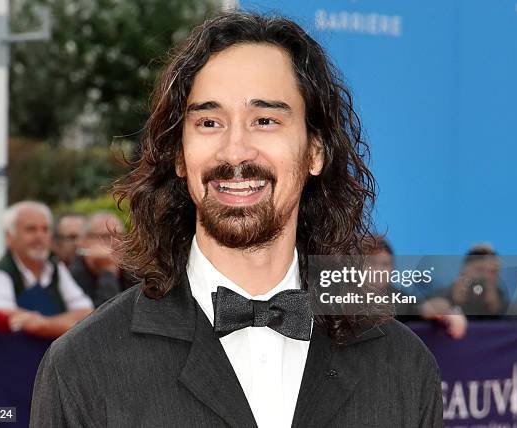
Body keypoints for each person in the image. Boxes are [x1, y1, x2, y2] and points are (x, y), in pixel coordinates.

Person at [31, 12, 443, 427]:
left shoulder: (402, 369)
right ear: (179, 154)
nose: (235, 152)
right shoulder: (84, 368)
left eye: (265, 121)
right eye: (209, 123)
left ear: (315, 150)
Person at [0, 201, 93, 338]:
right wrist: (68, 324)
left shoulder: (55, 266)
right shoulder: (0, 274)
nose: (40, 236)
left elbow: (86, 312)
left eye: (45, 229)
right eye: (31, 229)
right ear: (9, 237)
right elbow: (2, 314)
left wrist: (44, 324)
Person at [365, 236, 468, 338]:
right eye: (372, 263)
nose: (378, 270)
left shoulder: (399, 298)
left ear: (392, 269)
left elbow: (420, 307)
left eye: (385, 265)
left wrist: (450, 311)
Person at [69, 211, 134, 307]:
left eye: (120, 236)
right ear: (84, 241)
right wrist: (108, 271)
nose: (116, 242)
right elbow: (107, 316)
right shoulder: (72, 277)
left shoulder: (133, 274)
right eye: (107, 236)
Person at [428, 244, 507, 318]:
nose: (486, 277)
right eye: (480, 270)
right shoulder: (443, 295)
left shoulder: (502, 299)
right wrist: (454, 303)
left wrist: (496, 308)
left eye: (492, 272)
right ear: (463, 271)